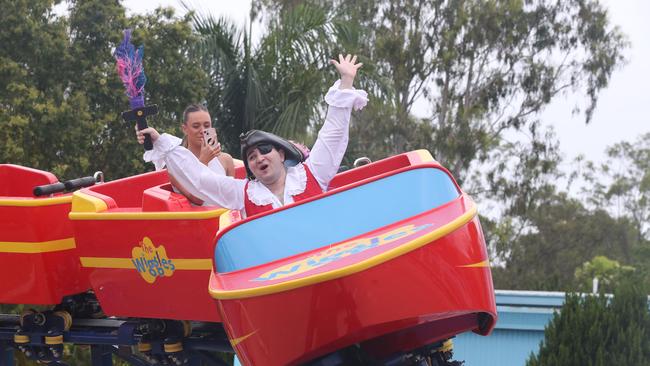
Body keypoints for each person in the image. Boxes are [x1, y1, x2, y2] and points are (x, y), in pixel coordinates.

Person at [138, 54, 367, 217]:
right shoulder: (244, 193)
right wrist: (161, 141)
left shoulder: (312, 173)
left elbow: (333, 134)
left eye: (265, 151)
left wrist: (346, 82)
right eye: (251, 157)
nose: (259, 159)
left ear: (280, 152)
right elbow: (200, 180)